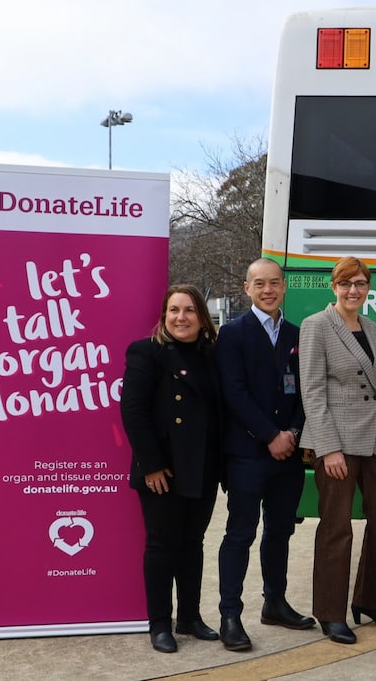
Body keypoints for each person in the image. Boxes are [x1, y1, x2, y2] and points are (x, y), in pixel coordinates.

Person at [299, 256, 376, 645]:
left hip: (375, 438)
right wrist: (328, 449)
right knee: (336, 527)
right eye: (346, 283)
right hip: (337, 442)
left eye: (360, 283)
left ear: (368, 287)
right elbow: (312, 391)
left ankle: (373, 601)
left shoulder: (371, 327)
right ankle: (330, 614)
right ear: (334, 286)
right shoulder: (317, 326)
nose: (353, 290)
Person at [214, 258, 314, 652]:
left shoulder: (296, 333)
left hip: (286, 454)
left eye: (275, 283)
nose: (268, 290)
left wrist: (293, 433)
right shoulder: (233, 334)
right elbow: (233, 392)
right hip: (247, 453)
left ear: (284, 287)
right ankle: (230, 615)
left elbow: (307, 389)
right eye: (260, 284)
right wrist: (270, 434)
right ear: (247, 288)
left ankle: (275, 602)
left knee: (280, 530)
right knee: (240, 533)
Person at [120, 284, 223, 654]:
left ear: (201, 317)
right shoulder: (146, 352)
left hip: (203, 467)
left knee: (193, 544)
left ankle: (190, 618)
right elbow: (133, 411)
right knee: (162, 546)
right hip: (162, 470)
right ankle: (160, 624)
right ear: (164, 315)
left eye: (189, 310)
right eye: (174, 310)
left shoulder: (211, 353)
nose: (181, 318)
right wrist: (152, 465)